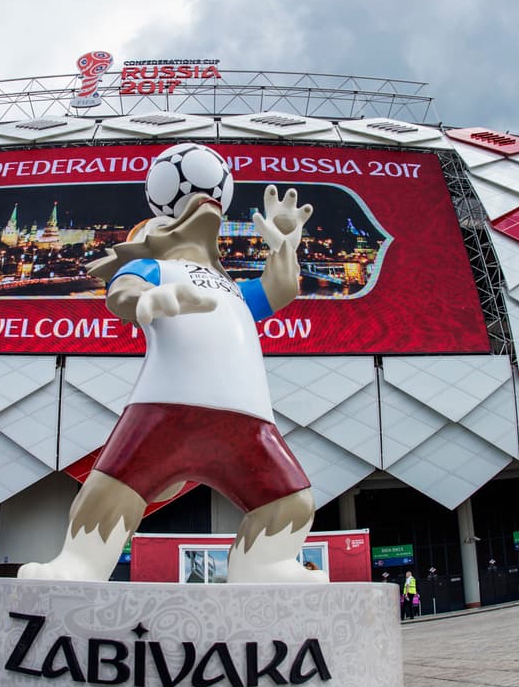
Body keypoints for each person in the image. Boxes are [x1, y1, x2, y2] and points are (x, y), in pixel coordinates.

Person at [20, 164, 322, 585]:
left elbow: (281, 289)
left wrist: (285, 243)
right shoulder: (155, 265)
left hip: (249, 421)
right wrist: (152, 298)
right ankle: (80, 566)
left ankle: (265, 568)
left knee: (291, 501)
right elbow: (122, 293)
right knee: (112, 489)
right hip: (163, 409)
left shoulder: (233, 288)